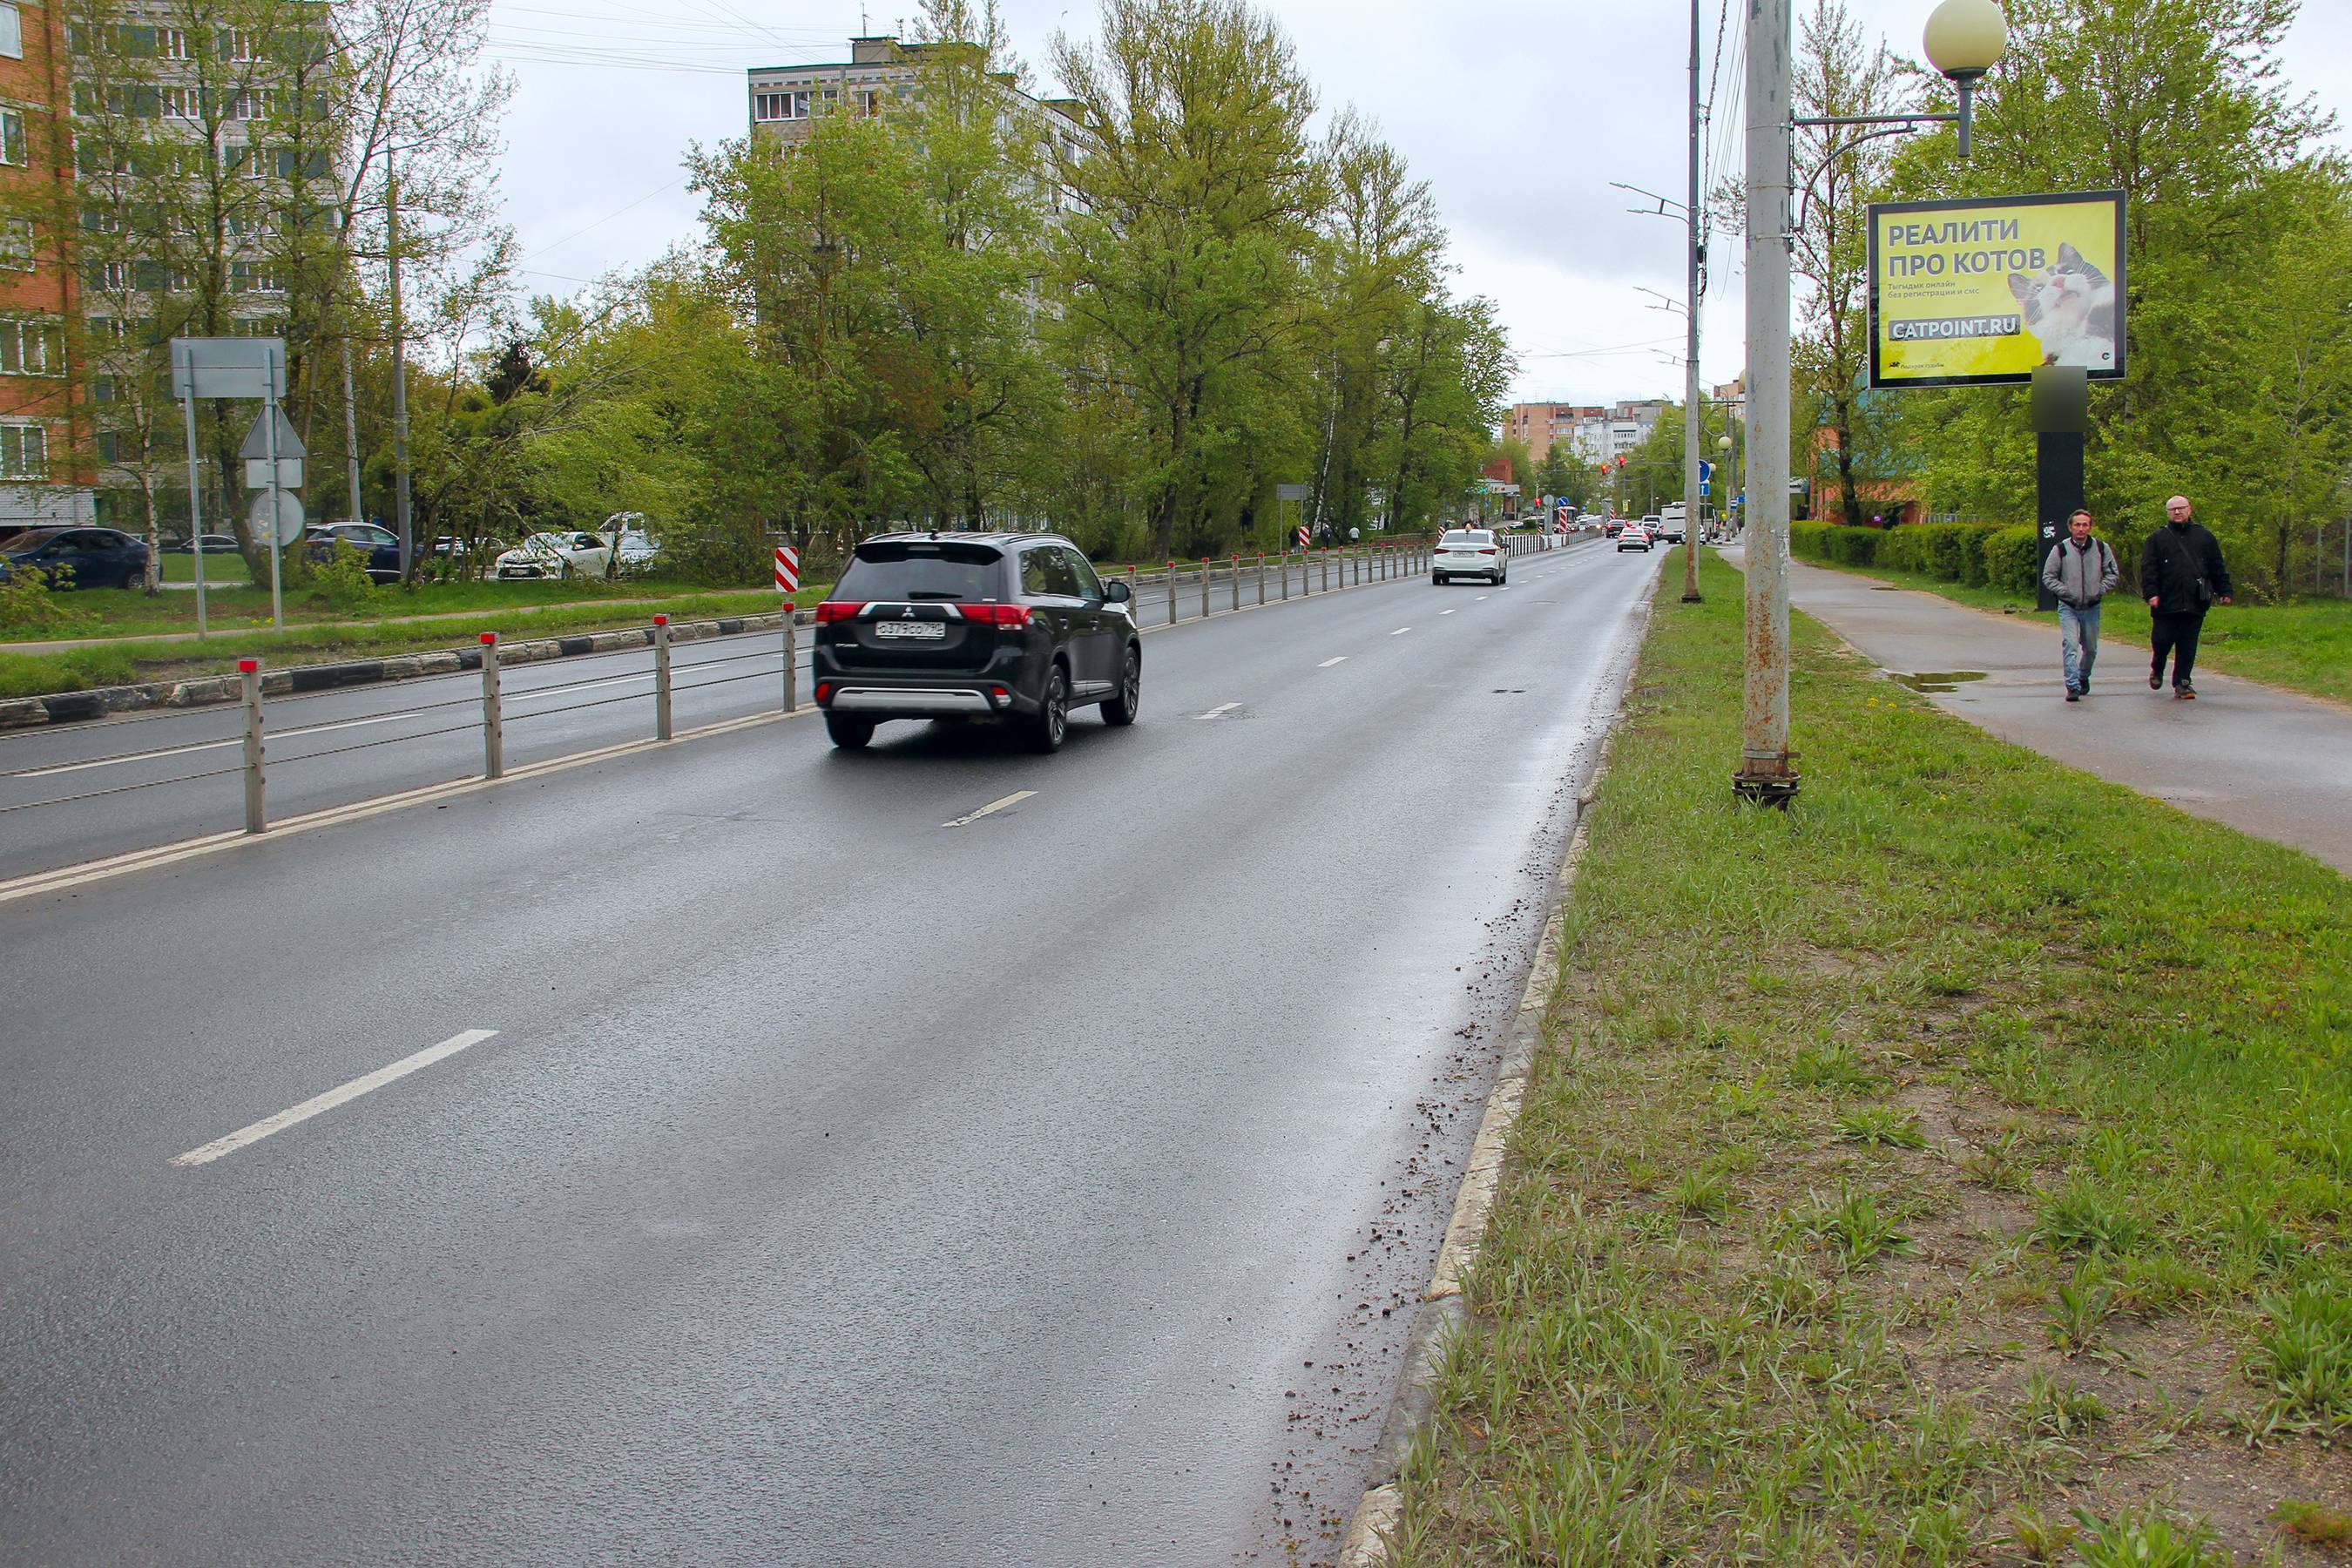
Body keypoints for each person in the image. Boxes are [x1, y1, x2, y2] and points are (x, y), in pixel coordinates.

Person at [2140, 494, 2233, 700]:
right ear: (2167, 513)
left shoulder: (2204, 537)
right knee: (2162, 640)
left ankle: (2182, 682)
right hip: (2165, 602)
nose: (2177, 512)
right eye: (2173, 509)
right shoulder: (2157, 538)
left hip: (2194, 601)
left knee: (2187, 643)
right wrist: (2151, 594)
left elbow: (2217, 566)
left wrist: (2225, 591)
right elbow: (2149, 569)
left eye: (2181, 508)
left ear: (2189, 510)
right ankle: (2158, 666)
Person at [2041, 507, 2119, 701]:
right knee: (2071, 644)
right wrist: (2065, 592)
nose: (2081, 529)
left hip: (2092, 606)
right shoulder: (2061, 549)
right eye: (2077, 525)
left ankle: (2083, 676)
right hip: (2069, 606)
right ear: (2070, 527)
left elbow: (2112, 573)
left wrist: (2099, 590)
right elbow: (2048, 577)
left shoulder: (2101, 548)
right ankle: (2072, 686)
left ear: (2090, 527)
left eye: (2085, 525)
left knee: (2090, 648)